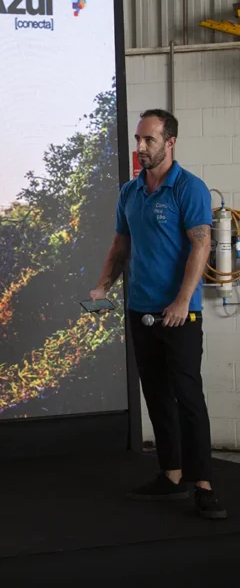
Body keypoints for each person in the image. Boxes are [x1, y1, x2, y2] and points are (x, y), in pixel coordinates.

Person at [90, 108, 226, 520]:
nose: (140, 147)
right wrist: (102, 286)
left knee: (188, 396)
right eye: (138, 139)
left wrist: (183, 301)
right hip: (141, 309)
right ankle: (171, 474)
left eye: (149, 139)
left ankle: (203, 486)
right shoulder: (130, 193)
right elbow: (120, 247)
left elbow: (201, 245)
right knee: (156, 394)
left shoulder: (189, 188)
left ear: (170, 142)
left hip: (180, 313)